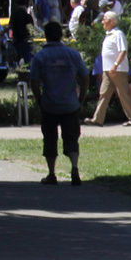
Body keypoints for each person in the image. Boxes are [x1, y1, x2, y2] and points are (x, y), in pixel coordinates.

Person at [28, 22, 90, 185]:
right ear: (61, 35)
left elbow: (34, 81)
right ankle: (74, 168)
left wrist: (39, 100)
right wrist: (81, 99)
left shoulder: (40, 57)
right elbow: (85, 77)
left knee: (50, 138)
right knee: (72, 138)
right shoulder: (73, 54)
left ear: (46, 35)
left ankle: (51, 173)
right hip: (70, 104)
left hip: (49, 104)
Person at [90, 11, 131, 126]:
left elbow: (123, 51)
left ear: (111, 21)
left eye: (104, 19)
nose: (102, 22)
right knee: (103, 94)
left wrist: (115, 64)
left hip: (117, 70)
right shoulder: (109, 35)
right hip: (107, 70)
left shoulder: (118, 34)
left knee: (123, 94)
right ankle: (97, 119)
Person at [8, 3, 34, 68]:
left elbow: (10, 26)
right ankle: (29, 72)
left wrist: (3, 32)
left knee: (16, 58)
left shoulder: (14, 14)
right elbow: (32, 28)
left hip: (18, 40)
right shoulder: (28, 16)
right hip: (27, 40)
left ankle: (16, 70)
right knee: (28, 59)